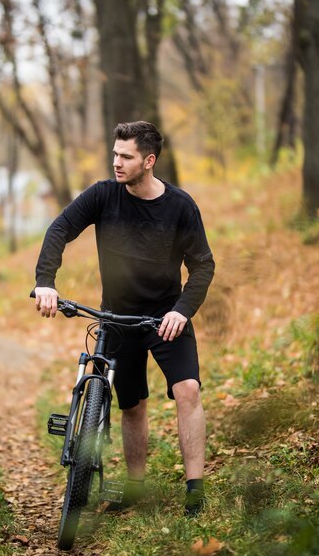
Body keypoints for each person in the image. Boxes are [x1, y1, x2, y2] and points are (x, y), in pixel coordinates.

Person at [34, 121, 215, 517]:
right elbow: (60, 228)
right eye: (115, 154)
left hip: (166, 318)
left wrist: (181, 311)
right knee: (131, 405)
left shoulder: (180, 206)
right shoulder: (102, 196)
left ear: (148, 161)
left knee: (188, 391)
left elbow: (202, 265)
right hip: (116, 317)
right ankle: (135, 487)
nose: (116, 162)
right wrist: (45, 282)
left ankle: (195, 493)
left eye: (126, 156)